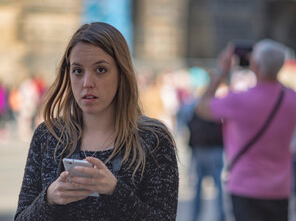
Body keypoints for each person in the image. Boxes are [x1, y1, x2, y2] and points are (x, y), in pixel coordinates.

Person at [15, 22, 179, 221]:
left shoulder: (153, 139)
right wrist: (49, 199)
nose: (87, 83)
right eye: (78, 71)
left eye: (100, 70)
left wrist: (115, 191)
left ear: (121, 73)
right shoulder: (48, 136)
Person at [196, 39, 296, 221]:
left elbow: (202, 107)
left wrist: (223, 71)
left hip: (245, 186)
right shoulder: (291, 99)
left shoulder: (239, 100)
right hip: (280, 188)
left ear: (255, 65)